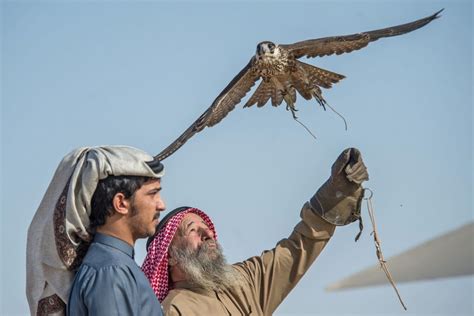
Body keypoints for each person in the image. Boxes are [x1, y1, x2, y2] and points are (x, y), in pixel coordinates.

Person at [142, 147, 369, 315]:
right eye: (193, 230)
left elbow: (299, 248)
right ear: (169, 256)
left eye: (208, 228)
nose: (208, 234)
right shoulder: (176, 309)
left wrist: (336, 191)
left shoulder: (244, 281)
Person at [26, 146, 166, 316]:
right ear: (121, 203)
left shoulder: (115, 266)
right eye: (152, 194)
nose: (161, 205)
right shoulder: (110, 272)